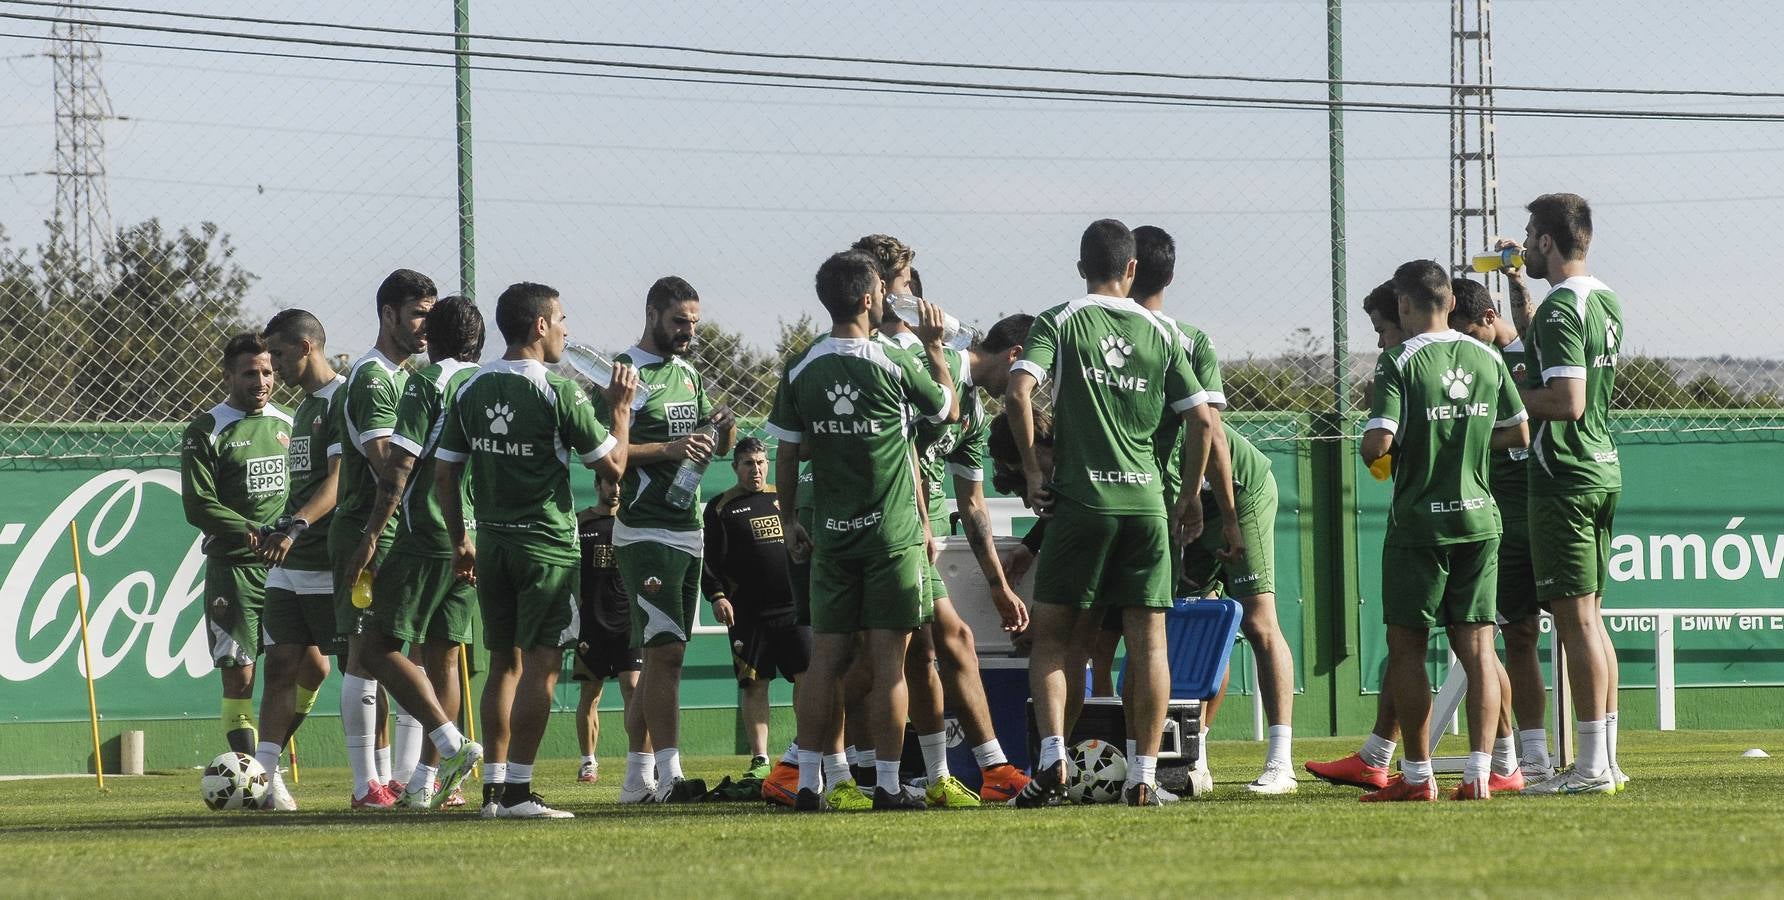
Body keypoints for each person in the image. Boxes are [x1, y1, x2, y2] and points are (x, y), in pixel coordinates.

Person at [1007, 219, 1217, 808]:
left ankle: (1052, 759)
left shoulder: (1061, 319)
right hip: (1146, 507)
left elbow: (1019, 390)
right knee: (1149, 643)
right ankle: (1144, 777)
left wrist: (1031, 470)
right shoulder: (1166, 334)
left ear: (1080, 268)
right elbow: (1203, 420)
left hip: (1081, 502)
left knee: (1054, 639)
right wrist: (1190, 494)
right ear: (1132, 270)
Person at [435, 281, 637, 818]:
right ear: (540, 325)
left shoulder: (470, 386)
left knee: (503, 664)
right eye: (562, 319)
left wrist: (461, 539)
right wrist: (619, 409)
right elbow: (612, 467)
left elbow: (446, 473)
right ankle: (520, 792)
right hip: (545, 547)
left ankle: (493, 793)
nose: (567, 331)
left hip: (493, 544)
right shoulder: (559, 391)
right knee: (542, 666)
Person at [766, 249, 953, 811]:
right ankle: (891, 787)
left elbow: (786, 453)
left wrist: (791, 519)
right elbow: (945, 408)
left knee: (824, 661)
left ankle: (808, 784)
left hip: (833, 537)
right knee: (891, 664)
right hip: (892, 539)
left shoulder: (801, 367)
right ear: (870, 299)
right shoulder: (893, 362)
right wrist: (936, 344)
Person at [854, 234, 1033, 806]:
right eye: (898, 290)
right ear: (1015, 354)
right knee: (866, 656)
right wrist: (921, 520)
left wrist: (1000, 585)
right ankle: (808, 765)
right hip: (883, 526)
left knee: (927, 651)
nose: (1031, 390)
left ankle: (940, 777)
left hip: (914, 532)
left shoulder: (974, 408)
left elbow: (974, 505)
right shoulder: (921, 362)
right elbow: (898, 444)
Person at [1131, 224, 1296, 796]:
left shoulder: (1187, 339)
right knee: (1187, 621)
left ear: (1128, 269)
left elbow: (1215, 434)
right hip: (1171, 500)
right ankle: (1191, 751)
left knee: (1257, 619)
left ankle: (1281, 761)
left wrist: (1223, 513)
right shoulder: (1112, 333)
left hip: (1233, 490)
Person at [1358, 260, 1528, 802]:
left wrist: (1401, 443)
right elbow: (1519, 431)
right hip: (1480, 519)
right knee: (1479, 648)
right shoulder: (1487, 356)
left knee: (1405, 647)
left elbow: (1377, 447)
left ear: (1404, 306)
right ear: (1451, 302)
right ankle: (1480, 775)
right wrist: (1469, 445)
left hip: (1420, 526)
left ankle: (1416, 778)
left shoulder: (1399, 361)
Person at [340, 296, 487, 810]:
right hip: (478, 532)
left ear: (436, 337)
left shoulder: (426, 383)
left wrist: (371, 534)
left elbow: (399, 467)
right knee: (445, 654)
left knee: (378, 648)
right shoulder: (490, 383)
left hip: (428, 530)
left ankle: (449, 745)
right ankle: (427, 783)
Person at [1502, 193, 1627, 795]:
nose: (1525, 245)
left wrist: (1497, 405)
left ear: (1548, 241)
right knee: (1593, 621)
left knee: (1576, 622)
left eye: (1529, 236)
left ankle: (1589, 767)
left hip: (1565, 476)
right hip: (1602, 470)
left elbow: (1566, 400)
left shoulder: (1560, 310)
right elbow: (1549, 351)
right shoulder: (1602, 299)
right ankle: (1606, 758)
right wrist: (1515, 287)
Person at [602, 276, 736, 805]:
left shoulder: (689, 373)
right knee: (669, 653)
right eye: (680, 321)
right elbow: (611, 454)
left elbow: (712, 447)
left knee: (661, 656)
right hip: (644, 528)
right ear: (652, 313)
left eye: (695, 324)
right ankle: (672, 775)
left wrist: (720, 427)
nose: (689, 332)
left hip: (687, 526)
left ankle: (637, 778)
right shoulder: (622, 373)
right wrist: (670, 449)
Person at [328, 268, 435, 809]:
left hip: (404, 530)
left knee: (407, 649)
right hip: (368, 529)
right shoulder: (372, 377)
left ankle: (408, 776)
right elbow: (384, 462)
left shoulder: (408, 378)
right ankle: (363, 782)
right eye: (417, 313)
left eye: (431, 315)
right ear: (388, 314)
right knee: (363, 654)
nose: (425, 326)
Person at [1305, 279, 1417, 790]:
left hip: (1462, 527)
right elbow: (1381, 469)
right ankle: (1377, 754)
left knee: (1481, 646)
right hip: (1436, 523)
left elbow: (1374, 457)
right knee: (1410, 645)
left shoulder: (1448, 364)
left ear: (1408, 314)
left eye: (1383, 330)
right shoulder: (1402, 375)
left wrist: (1381, 419)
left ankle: (1507, 761)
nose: (1380, 343)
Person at [1450, 277, 1548, 787]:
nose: (1463, 344)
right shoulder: (1468, 364)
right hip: (1505, 518)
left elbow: (1529, 328)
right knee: (1520, 634)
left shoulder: (1531, 348)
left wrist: (1516, 285)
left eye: (1469, 331)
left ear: (1488, 318)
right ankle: (1534, 755)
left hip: (1552, 505)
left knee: (1583, 624)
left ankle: (1601, 754)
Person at [180, 333, 292, 767]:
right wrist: (249, 528)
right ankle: (260, 778)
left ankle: (265, 765)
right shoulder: (206, 430)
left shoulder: (289, 424)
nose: (261, 381)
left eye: (267, 371)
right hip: (235, 571)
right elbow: (198, 505)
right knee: (240, 677)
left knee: (311, 668)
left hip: (287, 572)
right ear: (227, 375)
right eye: (250, 373)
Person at [254, 310, 344, 811]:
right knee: (282, 665)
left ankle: (375, 779)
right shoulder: (305, 407)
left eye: (281, 356)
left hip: (332, 562)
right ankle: (265, 780)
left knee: (361, 670)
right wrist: (279, 525)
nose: (275, 368)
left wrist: (299, 524)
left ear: (307, 347)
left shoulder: (342, 398)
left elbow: (338, 480)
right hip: (291, 563)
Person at [701, 437, 810, 776]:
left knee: (808, 679)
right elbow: (710, 561)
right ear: (735, 467)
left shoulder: (785, 497)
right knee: (755, 683)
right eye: (749, 463)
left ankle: (806, 749)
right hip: (748, 613)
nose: (757, 469)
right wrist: (717, 595)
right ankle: (760, 758)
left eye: (761, 462)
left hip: (794, 608)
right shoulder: (720, 506)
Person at [572, 477, 645, 785]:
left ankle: (639, 760)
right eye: (610, 484)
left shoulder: (634, 520)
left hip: (628, 622)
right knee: (591, 692)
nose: (616, 489)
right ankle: (588, 762)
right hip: (592, 622)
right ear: (597, 485)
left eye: (620, 484)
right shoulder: (580, 522)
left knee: (634, 688)